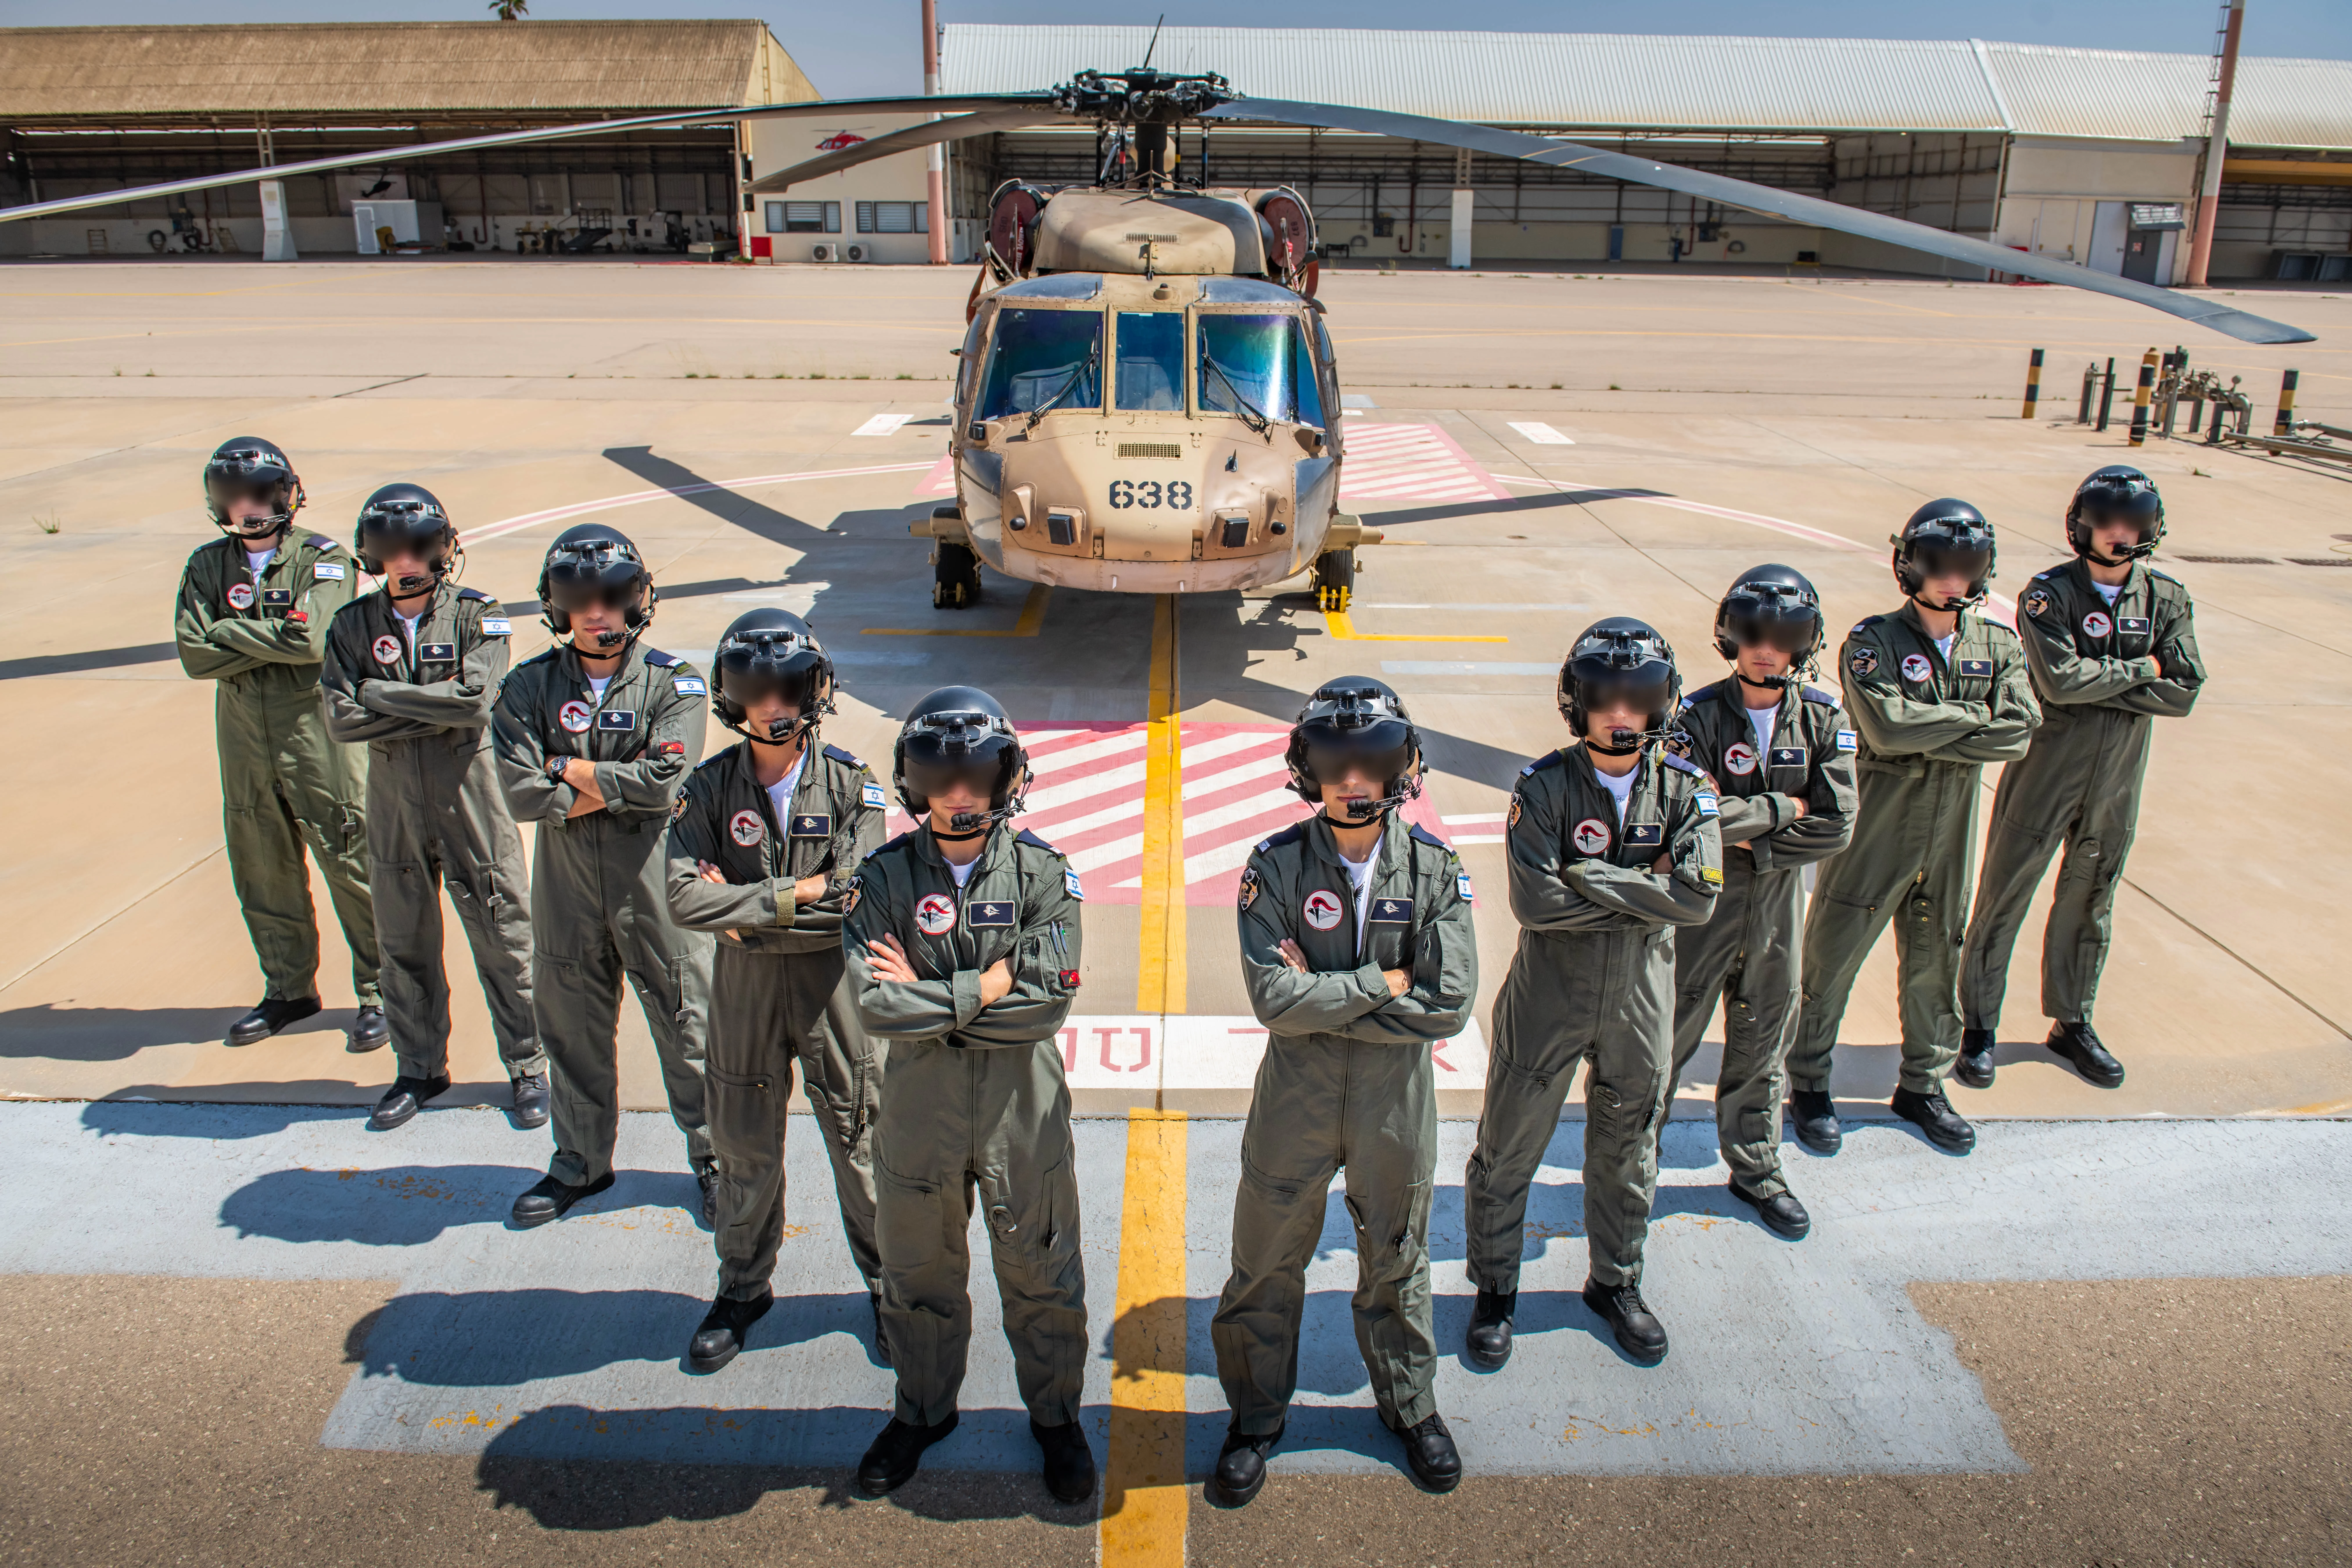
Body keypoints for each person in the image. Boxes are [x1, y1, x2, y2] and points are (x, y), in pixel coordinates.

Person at [1209, 679, 1479, 1505]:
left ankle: (1410, 1406)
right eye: (1334, 761)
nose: (1353, 779)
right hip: (1296, 1101)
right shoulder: (1275, 866)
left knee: (1396, 1257)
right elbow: (1272, 1000)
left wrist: (1327, 995)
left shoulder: (1436, 868)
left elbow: (1451, 1003)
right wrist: (1384, 980)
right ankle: (1255, 1417)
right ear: (1306, 770)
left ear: (1404, 767)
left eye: (1372, 761)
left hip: (1393, 1107)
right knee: (1265, 1259)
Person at [841, 688, 1091, 1504]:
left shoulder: (1045, 875)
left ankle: (1055, 1418)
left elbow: (1048, 1003)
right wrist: (987, 981)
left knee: (1044, 1272)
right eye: (939, 776)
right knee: (918, 1273)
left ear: (1005, 779)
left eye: (977, 775)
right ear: (913, 783)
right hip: (920, 1118)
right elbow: (875, 1008)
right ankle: (922, 1408)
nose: (958, 794)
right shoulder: (880, 878)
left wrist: (933, 999)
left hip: (1024, 1116)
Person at [1462, 619, 1722, 1370]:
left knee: (1629, 1148)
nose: (1620, 712)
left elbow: (1700, 898)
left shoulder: (1688, 789)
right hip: (1550, 994)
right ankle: (1496, 1289)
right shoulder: (1542, 785)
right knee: (1509, 1147)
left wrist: (1588, 873)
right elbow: (1536, 903)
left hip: (1641, 1002)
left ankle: (1616, 1283)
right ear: (1579, 703)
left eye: (1638, 698)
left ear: (1659, 704)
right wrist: (1651, 886)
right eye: (1604, 696)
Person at [664, 609, 888, 1372]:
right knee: (744, 1146)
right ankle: (743, 1289)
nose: (773, 702)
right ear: (734, 698)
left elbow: (857, 891)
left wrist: (746, 910)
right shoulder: (707, 787)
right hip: (746, 993)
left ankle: (891, 1289)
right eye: (757, 689)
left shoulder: (856, 785)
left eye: (788, 685)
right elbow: (683, 899)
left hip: (834, 988)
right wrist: (798, 897)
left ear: (812, 689)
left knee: (863, 1144)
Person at [1786, 501, 2040, 1158]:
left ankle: (1923, 1083)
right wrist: (1970, 721)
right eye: (1937, 565)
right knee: (1832, 954)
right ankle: (1809, 1079)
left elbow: (2019, 732)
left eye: (1966, 566)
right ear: (1909, 565)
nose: (1951, 579)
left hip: (1950, 830)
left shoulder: (1999, 643)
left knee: (1937, 958)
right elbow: (1885, 728)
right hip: (1879, 826)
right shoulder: (1873, 643)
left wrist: (1934, 724)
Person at [490, 525, 715, 1227]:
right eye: (579, 599)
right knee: (571, 1026)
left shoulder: (675, 684)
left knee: (690, 1024)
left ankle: (715, 1159)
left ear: (637, 600)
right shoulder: (527, 687)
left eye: (613, 597)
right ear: (556, 607)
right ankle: (580, 1163)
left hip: (653, 882)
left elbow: (665, 781)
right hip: (566, 889)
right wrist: (615, 781)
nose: (597, 611)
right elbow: (522, 795)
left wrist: (566, 767)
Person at [1956, 467, 2204, 1090]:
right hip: (2046, 770)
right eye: (2106, 523)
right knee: (2004, 894)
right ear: (2081, 526)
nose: (2118, 534)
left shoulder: (2167, 599)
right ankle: (1976, 1025)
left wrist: (2109, 674)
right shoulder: (2049, 596)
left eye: (2131, 524)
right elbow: (2059, 681)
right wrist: (2144, 666)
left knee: (2092, 896)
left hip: (2116, 780)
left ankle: (2072, 1020)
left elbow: (2184, 692)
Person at [320, 484, 546, 1131]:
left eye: (419, 544)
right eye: (392, 548)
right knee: (402, 941)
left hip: (471, 800)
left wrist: (379, 694)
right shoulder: (350, 626)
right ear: (373, 555)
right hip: (393, 806)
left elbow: (478, 703)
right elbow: (340, 720)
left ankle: (528, 1065)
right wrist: (431, 704)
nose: (406, 558)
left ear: (443, 547)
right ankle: (419, 1067)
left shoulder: (484, 614)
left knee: (505, 936)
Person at [1663, 567, 1856, 1242]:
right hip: (1704, 904)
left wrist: (1754, 839)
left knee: (1763, 1037)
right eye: (1751, 634)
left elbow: (1837, 824)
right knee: (1667, 1032)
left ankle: (1755, 1165)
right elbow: (1691, 818)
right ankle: (1629, 1153)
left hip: (1775, 906)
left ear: (1805, 643)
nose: (1765, 648)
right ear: (1729, 636)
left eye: (1783, 636)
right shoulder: (1693, 718)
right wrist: (1785, 807)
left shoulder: (1824, 719)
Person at [173, 438, 384, 1052]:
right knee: (261, 864)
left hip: (315, 737)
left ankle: (382, 990)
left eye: (263, 494)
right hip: (244, 740)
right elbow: (193, 652)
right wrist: (270, 632)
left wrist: (229, 630)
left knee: (353, 862)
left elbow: (314, 641)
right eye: (236, 497)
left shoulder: (324, 560)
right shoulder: (207, 564)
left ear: (287, 494)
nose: (250, 507)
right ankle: (288, 987)